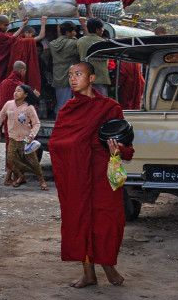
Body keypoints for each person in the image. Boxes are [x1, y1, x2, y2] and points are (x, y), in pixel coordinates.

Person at [49, 61, 133, 288]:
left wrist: (118, 149)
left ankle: (108, 265)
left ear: (92, 78)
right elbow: (56, 143)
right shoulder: (68, 110)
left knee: (108, 221)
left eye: (79, 74)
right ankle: (88, 273)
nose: (73, 79)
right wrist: (76, 146)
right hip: (76, 175)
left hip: (102, 175)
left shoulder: (109, 107)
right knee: (79, 220)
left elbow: (127, 145)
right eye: (70, 75)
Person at [0, 83, 48, 189]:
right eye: (15, 91)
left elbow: (36, 123)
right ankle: (22, 176)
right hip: (13, 138)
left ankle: (42, 181)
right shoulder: (9, 104)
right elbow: (1, 116)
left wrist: (32, 135)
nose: (15, 93)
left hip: (26, 140)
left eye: (19, 91)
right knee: (11, 160)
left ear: (25, 94)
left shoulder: (29, 108)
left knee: (33, 162)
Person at [76, 17, 112, 97]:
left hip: (85, 79)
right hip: (100, 78)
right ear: (97, 30)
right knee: (100, 104)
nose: (102, 31)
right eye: (102, 29)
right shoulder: (104, 43)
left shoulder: (80, 41)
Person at [49, 21, 80, 112]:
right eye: (74, 31)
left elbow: (61, 41)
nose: (76, 33)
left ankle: (60, 122)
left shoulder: (53, 43)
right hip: (69, 77)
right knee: (68, 105)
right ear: (68, 33)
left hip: (58, 76)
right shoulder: (74, 43)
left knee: (60, 103)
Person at [9, 17, 45, 95]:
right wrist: (43, 22)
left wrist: (22, 25)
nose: (32, 38)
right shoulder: (26, 41)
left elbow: (13, 37)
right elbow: (41, 36)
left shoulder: (16, 41)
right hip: (23, 70)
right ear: (26, 33)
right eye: (32, 35)